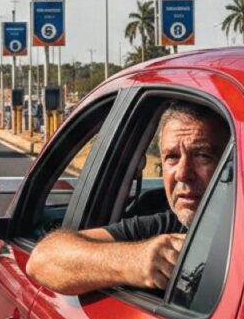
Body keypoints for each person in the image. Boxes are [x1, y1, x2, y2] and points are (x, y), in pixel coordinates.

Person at [27, 101, 229, 295]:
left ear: (232, 164)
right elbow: (43, 259)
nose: (182, 174)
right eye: (172, 157)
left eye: (202, 155)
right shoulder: (161, 227)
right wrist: (136, 260)